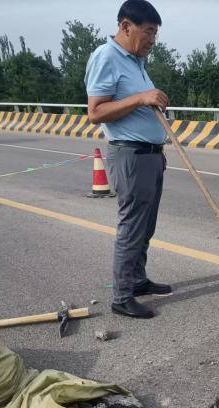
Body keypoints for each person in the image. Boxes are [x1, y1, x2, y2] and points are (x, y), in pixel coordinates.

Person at [85, 0, 171, 319]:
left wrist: (152, 102)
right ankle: (122, 297)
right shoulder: (106, 56)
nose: (152, 40)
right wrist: (141, 98)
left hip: (150, 156)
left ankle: (137, 280)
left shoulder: (136, 61)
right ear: (126, 27)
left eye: (155, 33)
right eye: (148, 32)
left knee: (145, 226)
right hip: (130, 155)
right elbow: (96, 112)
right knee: (132, 226)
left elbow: (136, 103)